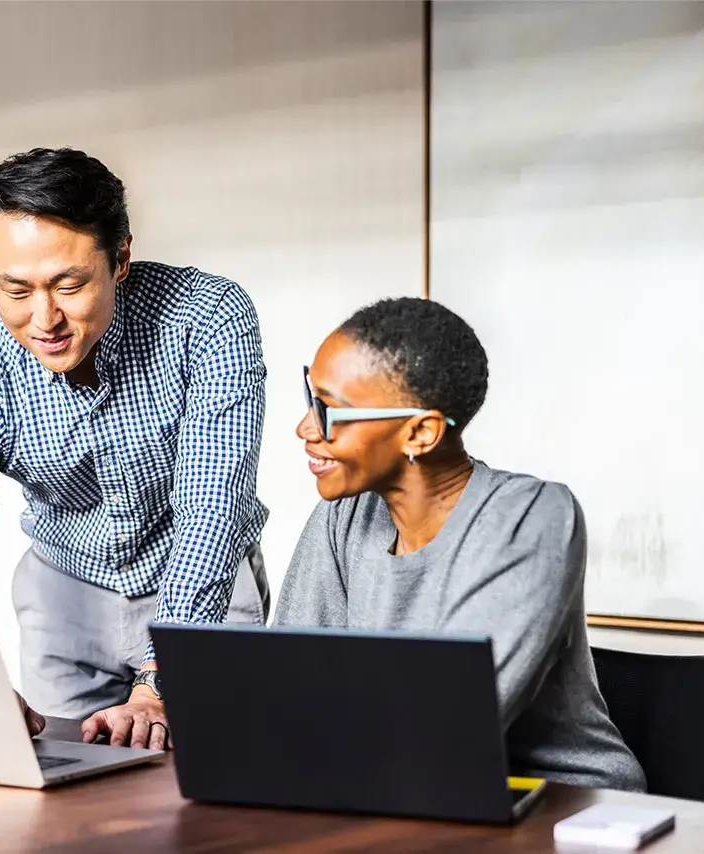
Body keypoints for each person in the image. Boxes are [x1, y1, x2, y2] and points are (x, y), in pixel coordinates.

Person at [0, 147, 271, 750]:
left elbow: (214, 507)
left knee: (214, 779)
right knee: (66, 794)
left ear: (121, 256)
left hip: (199, 581)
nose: (43, 317)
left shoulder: (207, 319)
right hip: (64, 594)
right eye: (15, 290)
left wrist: (164, 680)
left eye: (69, 284)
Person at [274, 296, 646, 791]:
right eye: (309, 397)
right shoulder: (344, 513)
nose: (304, 429)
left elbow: (448, 723)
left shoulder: (530, 516)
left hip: (560, 803)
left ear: (421, 432)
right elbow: (285, 687)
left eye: (329, 411)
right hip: (396, 790)